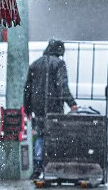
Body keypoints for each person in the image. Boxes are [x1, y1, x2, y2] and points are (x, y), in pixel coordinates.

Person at [23, 38, 78, 179]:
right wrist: (71, 103)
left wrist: (28, 108)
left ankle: (37, 167)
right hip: (54, 105)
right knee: (55, 136)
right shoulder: (59, 64)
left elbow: (27, 89)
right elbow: (62, 86)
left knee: (40, 136)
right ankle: (54, 166)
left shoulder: (35, 64)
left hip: (38, 107)